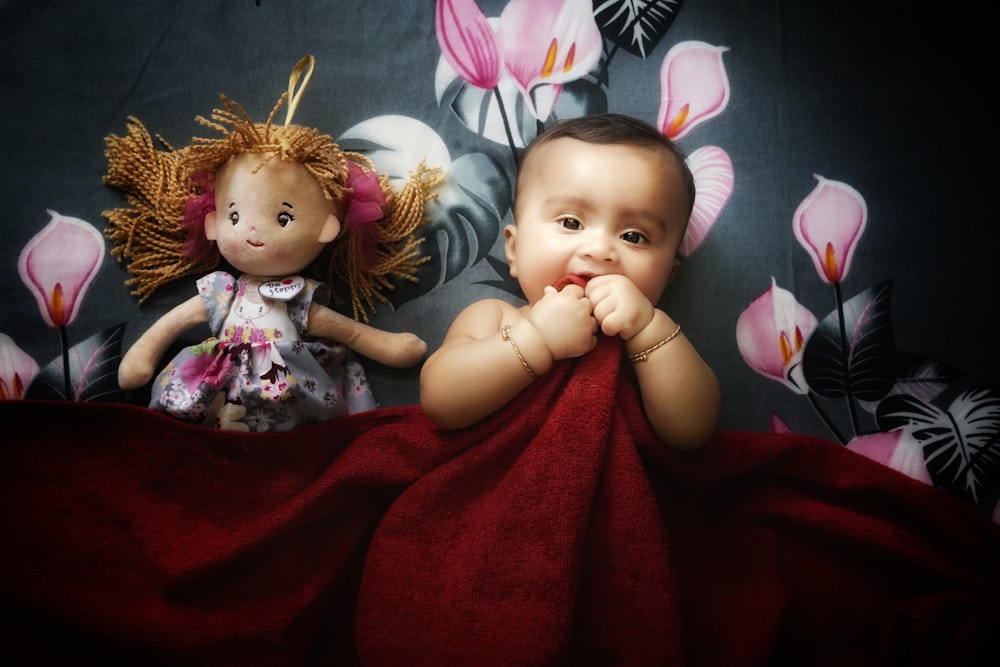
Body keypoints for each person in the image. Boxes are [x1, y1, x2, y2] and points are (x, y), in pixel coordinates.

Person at [104, 56, 441, 431]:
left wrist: (388, 346)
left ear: (326, 229)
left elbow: (350, 331)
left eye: (284, 219)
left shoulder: (299, 297)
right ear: (214, 224)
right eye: (234, 216)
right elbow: (173, 323)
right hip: (211, 393)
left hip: (287, 399)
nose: (252, 231)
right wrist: (142, 358)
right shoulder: (221, 292)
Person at [420, 113, 720, 450]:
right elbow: (439, 399)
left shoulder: (649, 343)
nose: (600, 249)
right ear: (515, 250)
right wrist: (536, 339)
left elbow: (693, 433)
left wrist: (649, 328)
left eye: (634, 236)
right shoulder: (497, 318)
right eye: (571, 222)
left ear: (667, 277)